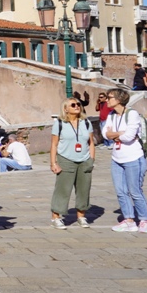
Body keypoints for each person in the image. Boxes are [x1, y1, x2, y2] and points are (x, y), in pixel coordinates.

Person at [102, 89, 147, 233]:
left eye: (109, 97)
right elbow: (105, 134)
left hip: (133, 157)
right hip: (116, 158)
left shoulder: (132, 114)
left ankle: (144, 220)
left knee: (135, 191)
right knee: (120, 191)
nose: (106, 100)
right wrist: (119, 134)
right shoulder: (111, 115)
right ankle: (129, 220)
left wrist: (114, 134)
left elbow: (129, 136)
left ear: (119, 100)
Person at [49, 98, 95, 229]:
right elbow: (54, 144)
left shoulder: (86, 122)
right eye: (73, 105)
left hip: (84, 159)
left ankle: (81, 216)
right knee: (63, 189)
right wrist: (53, 163)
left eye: (78, 104)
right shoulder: (59, 123)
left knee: (84, 189)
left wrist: (91, 159)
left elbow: (91, 142)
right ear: (65, 109)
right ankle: (56, 217)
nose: (77, 106)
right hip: (66, 159)